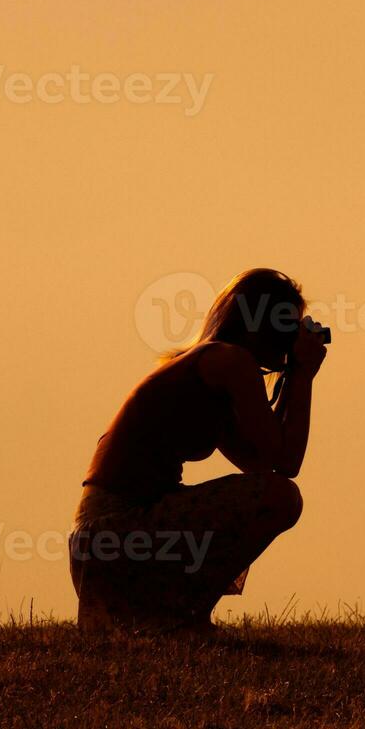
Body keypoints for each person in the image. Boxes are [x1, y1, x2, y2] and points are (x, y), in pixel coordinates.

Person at [69, 268, 327, 637]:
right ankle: (178, 616)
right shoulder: (230, 362)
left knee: (273, 493)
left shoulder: (209, 366)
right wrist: (301, 376)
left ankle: (171, 616)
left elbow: (263, 463)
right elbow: (284, 467)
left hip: (100, 543)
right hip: (117, 530)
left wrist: (296, 379)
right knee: (281, 498)